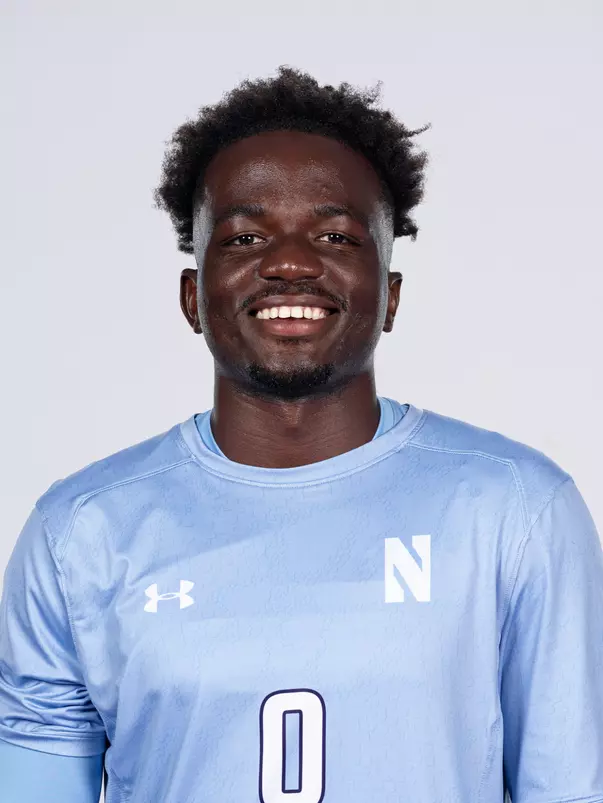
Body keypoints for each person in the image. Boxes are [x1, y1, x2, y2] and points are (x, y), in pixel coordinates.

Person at [0, 65, 602, 803]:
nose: (289, 262)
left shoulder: (514, 511)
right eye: (246, 235)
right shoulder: (80, 534)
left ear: (389, 294)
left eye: (336, 235)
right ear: (192, 295)